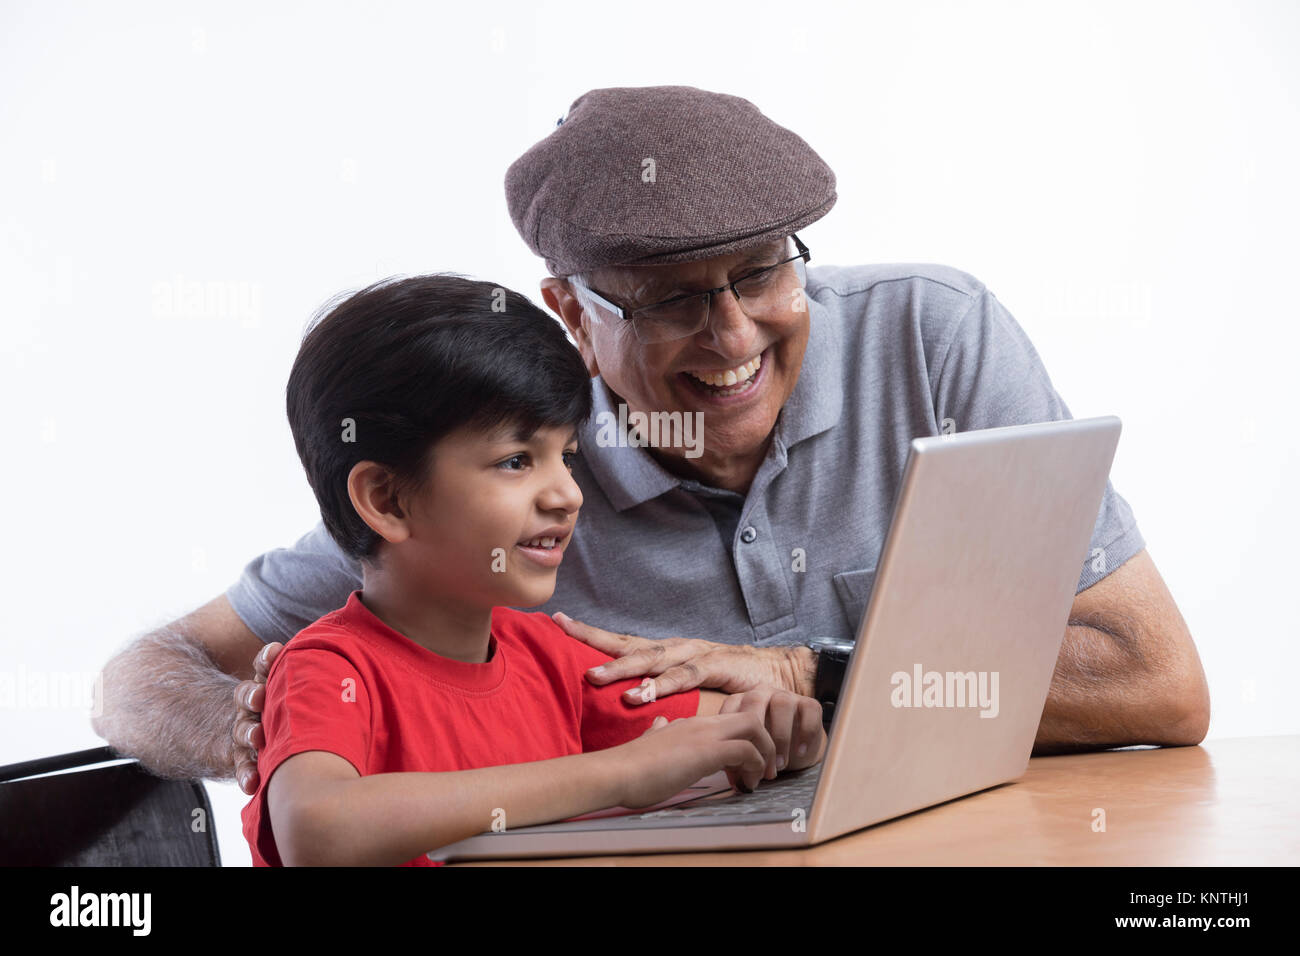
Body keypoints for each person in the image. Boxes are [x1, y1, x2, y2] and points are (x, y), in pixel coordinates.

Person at [92, 86, 1209, 797]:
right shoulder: (489, 490)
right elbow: (138, 677)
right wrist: (267, 738)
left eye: (764, 270)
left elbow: (1154, 684)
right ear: (571, 312)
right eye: (669, 300)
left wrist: (805, 672)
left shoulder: (935, 335)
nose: (732, 335)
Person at [241, 273, 825, 866]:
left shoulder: (553, 656)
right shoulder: (330, 669)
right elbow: (317, 830)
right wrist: (618, 773)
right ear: (387, 500)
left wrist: (777, 726)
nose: (567, 494)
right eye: (516, 461)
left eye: (566, 456)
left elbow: (718, 732)